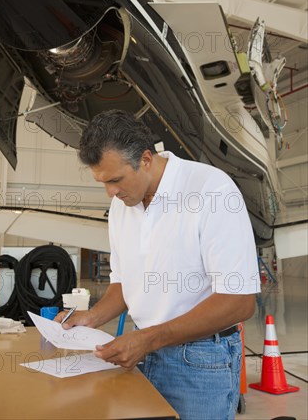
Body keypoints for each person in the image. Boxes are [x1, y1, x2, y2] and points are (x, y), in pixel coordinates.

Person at [55, 110, 260, 419]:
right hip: (140, 351)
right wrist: (93, 317)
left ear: (146, 159)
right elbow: (124, 284)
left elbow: (240, 302)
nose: (110, 192)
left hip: (199, 360)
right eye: (102, 182)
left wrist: (148, 339)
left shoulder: (211, 190)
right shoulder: (122, 205)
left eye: (116, 180)